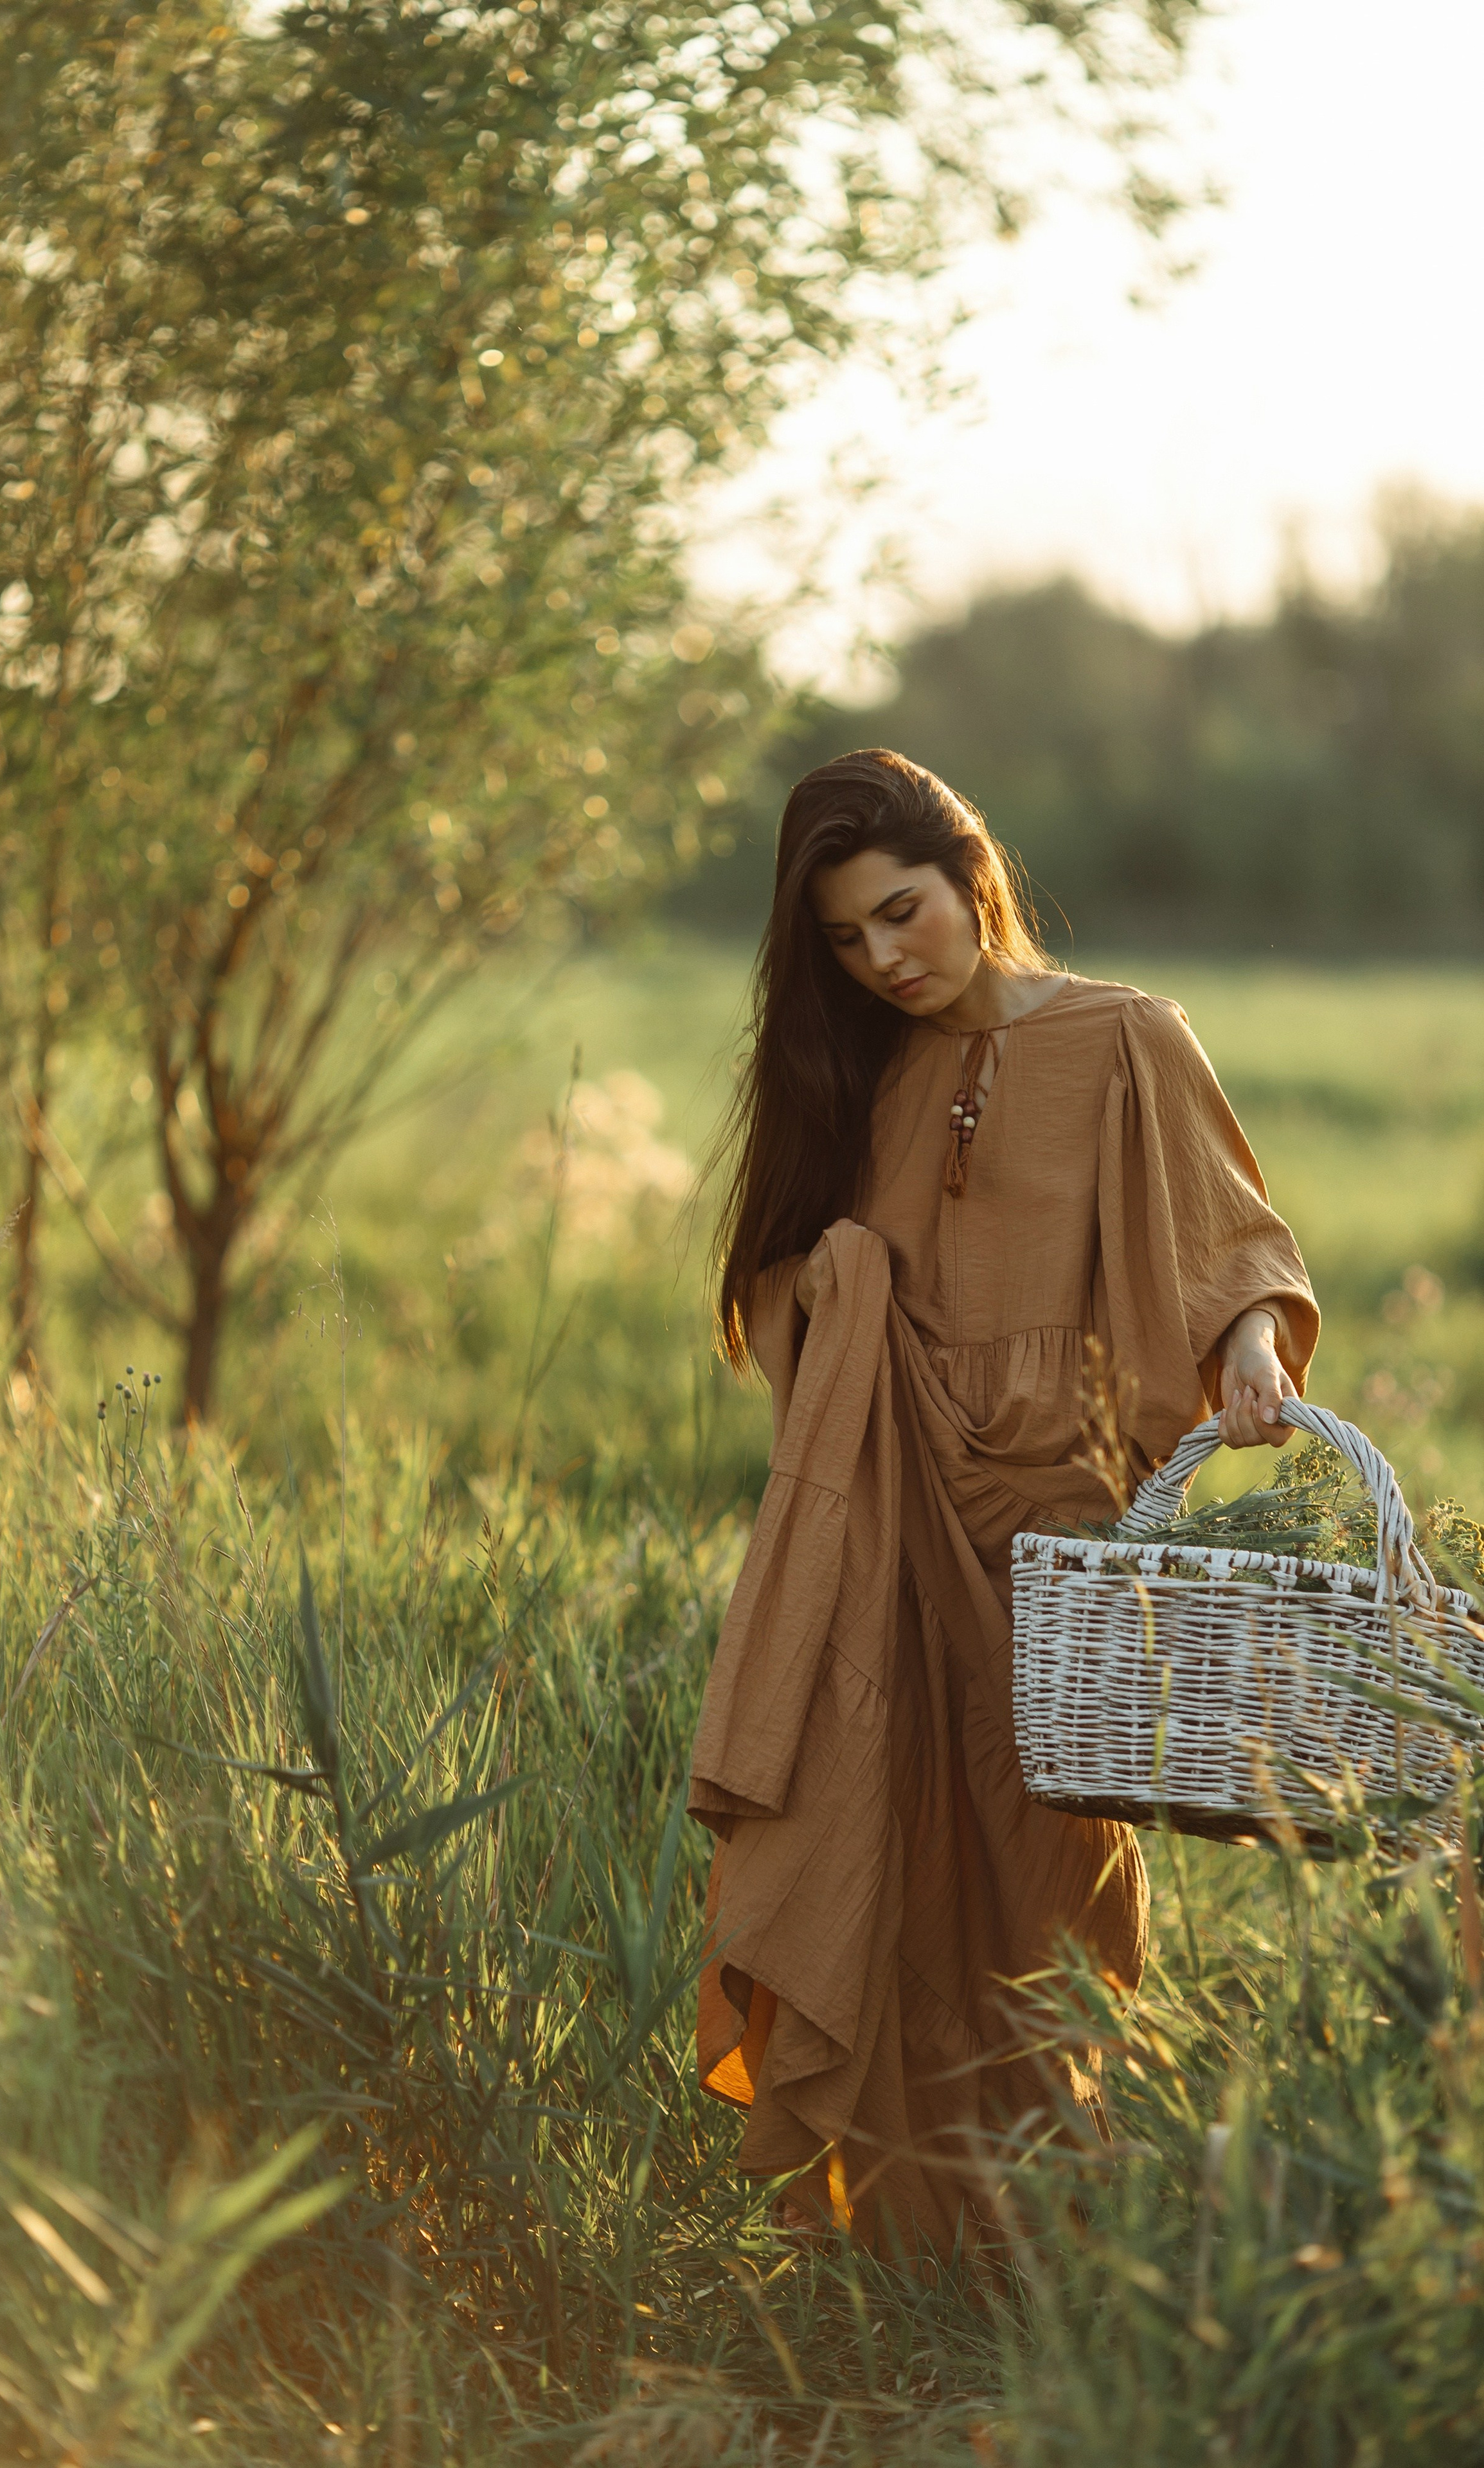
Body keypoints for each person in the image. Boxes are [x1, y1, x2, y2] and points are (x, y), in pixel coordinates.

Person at [689, 747, 1316, 2264]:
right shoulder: (856, 1073)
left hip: (1061, 1551)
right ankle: (896, 2244)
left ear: (971, 876)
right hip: (890, 1527)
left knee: (1053, 1894)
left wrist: (1242, 1352)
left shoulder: (1124, 1040)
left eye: (898, 913)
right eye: (842, 939)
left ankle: (1058, 2245)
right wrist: (833, 1301)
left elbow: (1233, 1246)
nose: (881, 958)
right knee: (879, 1853)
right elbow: (786, 1297)